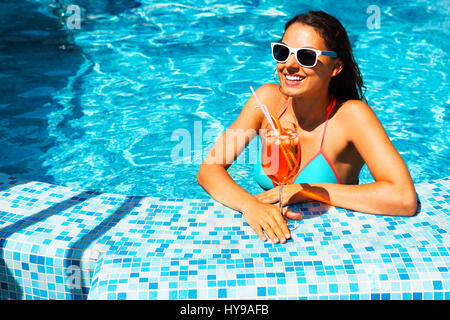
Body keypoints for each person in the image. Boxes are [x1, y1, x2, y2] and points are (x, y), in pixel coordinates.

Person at [197, 11, 417, 244]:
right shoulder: (266, 102)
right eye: (283, 52)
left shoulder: (351, 116)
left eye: (306, 57)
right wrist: (250, 206)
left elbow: (403, 198)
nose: (290, 65)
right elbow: (209, 170)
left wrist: (308, 190)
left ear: (336, 67)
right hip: (271, 238)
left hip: (333, 242)